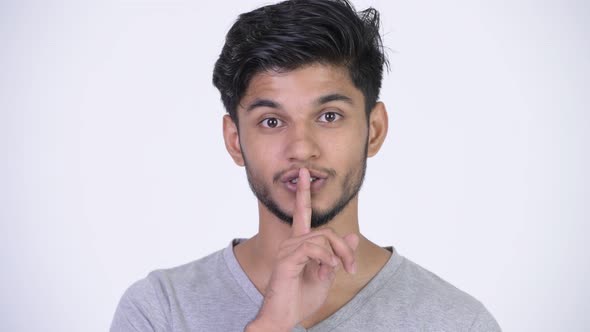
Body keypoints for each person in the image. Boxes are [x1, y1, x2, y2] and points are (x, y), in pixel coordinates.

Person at [111, 0, 501, 331]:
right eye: (271, 121)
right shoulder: (160, 311)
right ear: (235, 141)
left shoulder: (457, 322)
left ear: (374, 130)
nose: (301, 148)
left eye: (329, 116)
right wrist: (271, 324)